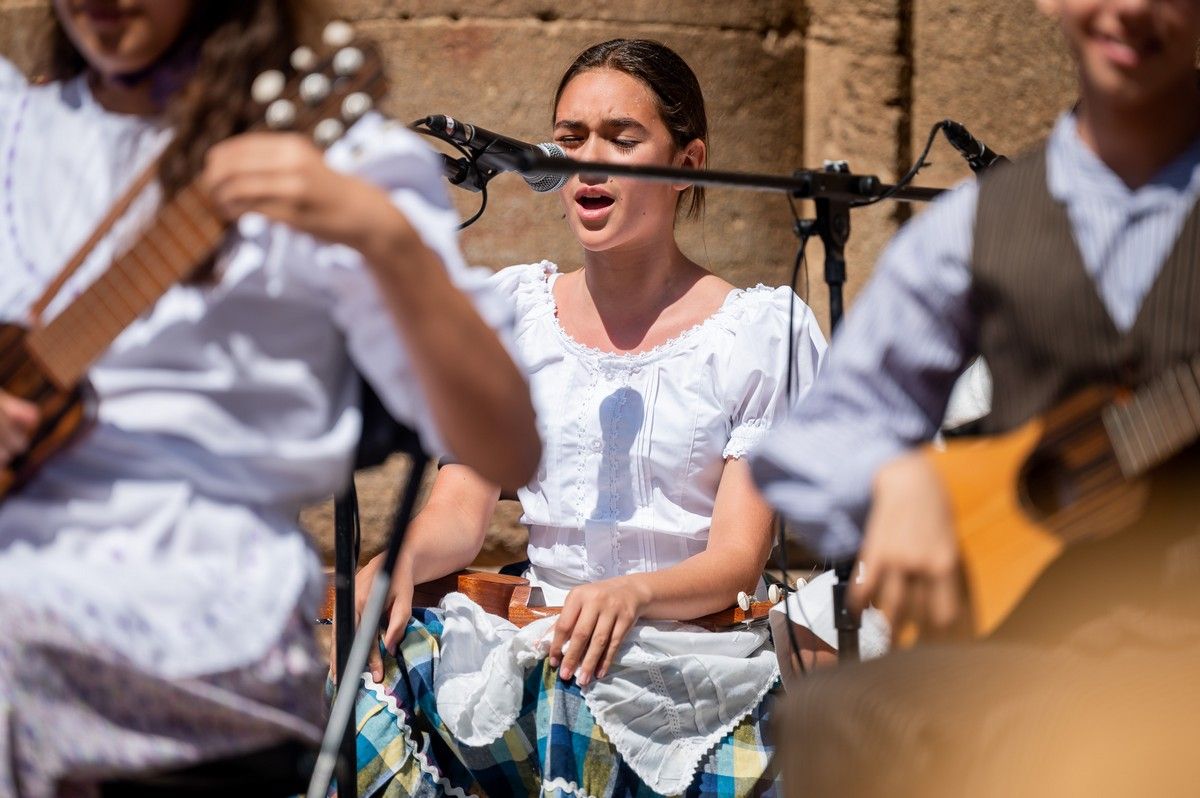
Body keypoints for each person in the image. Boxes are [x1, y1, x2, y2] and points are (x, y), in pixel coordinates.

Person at [0, 1, 539, 795]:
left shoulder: (339, 162)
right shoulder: (17, 131)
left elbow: (506, 445)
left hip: (190, 646)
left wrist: (385, 238)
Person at [339, 38, 827, 798]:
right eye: (570, 140)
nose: (588, 162)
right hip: (539, 642)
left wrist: (633, 593)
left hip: (686, 658)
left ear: (689, 165)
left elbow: (736, 557)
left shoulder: (758, 333)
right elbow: (459, 514)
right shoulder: (514, 314)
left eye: (621, 139)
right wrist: (395, 560)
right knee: (354, 699)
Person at [751, 0, 1200, 795]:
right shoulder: (974, 224)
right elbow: (814, 440)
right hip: (1030, 649)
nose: (1131, 8)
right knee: (832, 718)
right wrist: (894, 480)